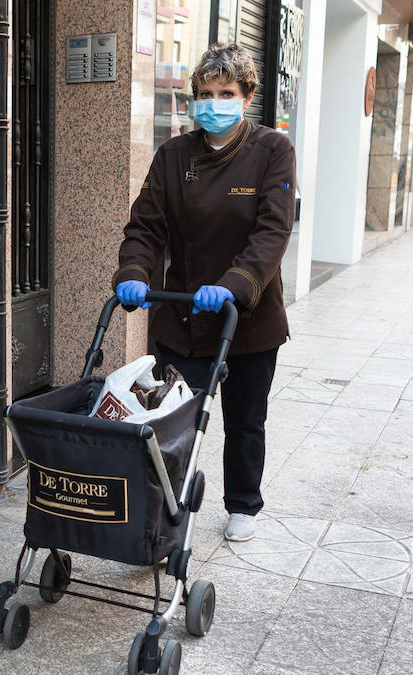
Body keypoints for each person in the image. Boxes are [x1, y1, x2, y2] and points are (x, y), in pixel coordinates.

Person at [111, 43, 295, 543]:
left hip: (247, 316)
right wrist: (134, 271)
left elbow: (271, 233)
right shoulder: (173, 156)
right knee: (171, 421)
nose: (215, 102)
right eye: (206, 93)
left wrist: (233, 285)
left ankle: (243, 504)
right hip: (184, 316)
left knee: (244, 419)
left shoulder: (272, 152)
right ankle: (164, 509)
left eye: (226, 93)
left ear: (247, 96)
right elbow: (145, 225)